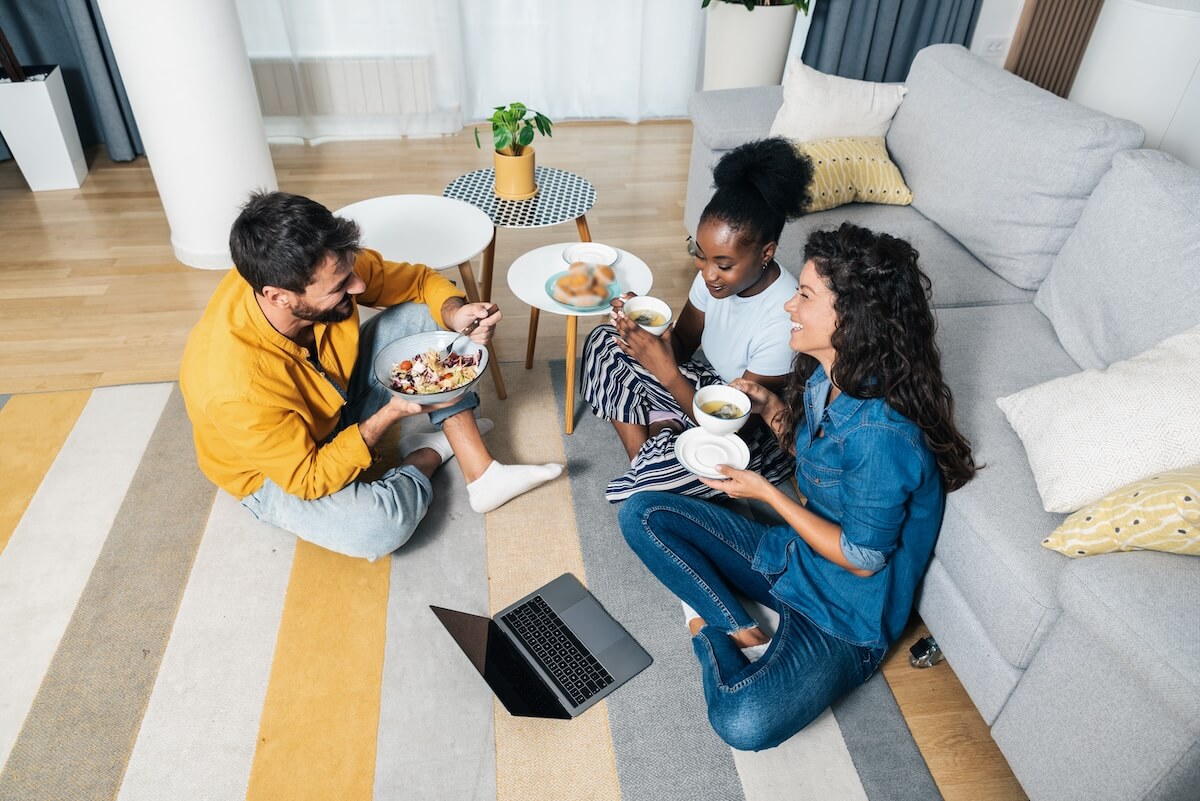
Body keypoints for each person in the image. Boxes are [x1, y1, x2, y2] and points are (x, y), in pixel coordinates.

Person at [618, 223, 979, 751]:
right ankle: (741, 628)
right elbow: (812, 456)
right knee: (642, 513)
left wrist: (766, 494)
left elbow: (862, 558)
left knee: (743, 723)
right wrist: (770, 410)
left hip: (845, 615)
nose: (790, 305)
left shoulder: (884, 435)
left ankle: (709, 634)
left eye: (805, 296)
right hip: (795, 555)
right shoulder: (824, 376)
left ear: (850, 318)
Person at [180, 190, 562, 561]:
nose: (358, 287)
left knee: (424, 320)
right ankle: (428, 452)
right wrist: (392, 414)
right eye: (341, 286)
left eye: (350, 272)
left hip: (334, 400)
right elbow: (308, 478)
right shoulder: (234, 387)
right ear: (279, 296)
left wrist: (453, 313)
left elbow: (417, 282)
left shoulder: (317, 264)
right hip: (278, 470)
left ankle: (482, 474)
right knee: (378, 526)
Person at [580, 137, 814, 502]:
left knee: (660, 483)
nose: (708, 274)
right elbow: (684, 345)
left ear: (766, 253)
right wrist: (647, 332)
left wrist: (667, 372)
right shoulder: (712, 278)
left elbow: (734, 428)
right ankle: (649, 455)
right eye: (700, 255)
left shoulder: (784, 316)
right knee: (604, 341)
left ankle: (657, 454)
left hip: (748, 432)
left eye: (724, 264)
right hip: (704, 387)